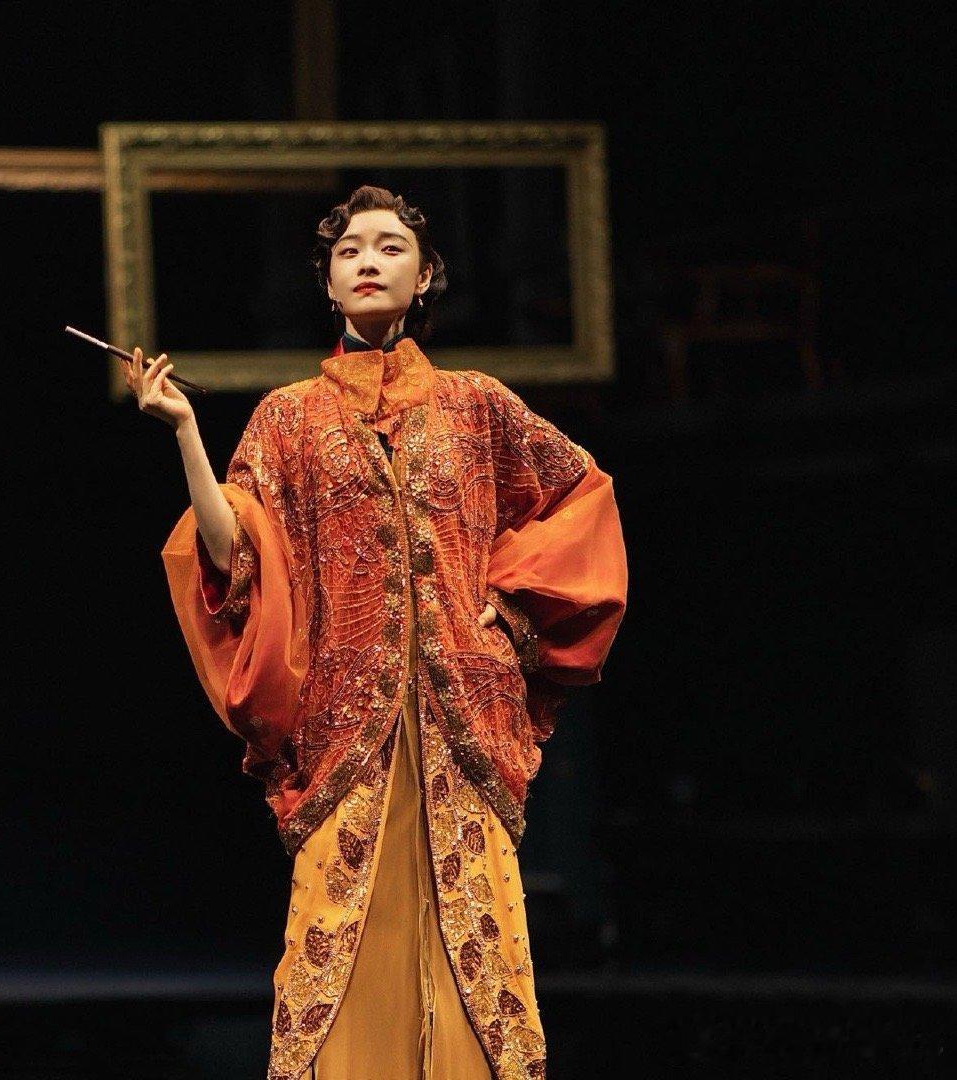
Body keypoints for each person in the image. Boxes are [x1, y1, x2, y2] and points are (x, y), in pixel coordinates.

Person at [135, 186, 628, 1079]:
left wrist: (513, 604)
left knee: (475, 936)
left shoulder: (477, 405)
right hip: (343, 720)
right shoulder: (288, 417)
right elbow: (236, 551)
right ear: (327, 282)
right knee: (338, 933)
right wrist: (185, 434)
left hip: (463, 713)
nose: (369, 261)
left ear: (425, 275)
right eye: (350, 250)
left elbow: (580, 495)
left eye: (390, 247)